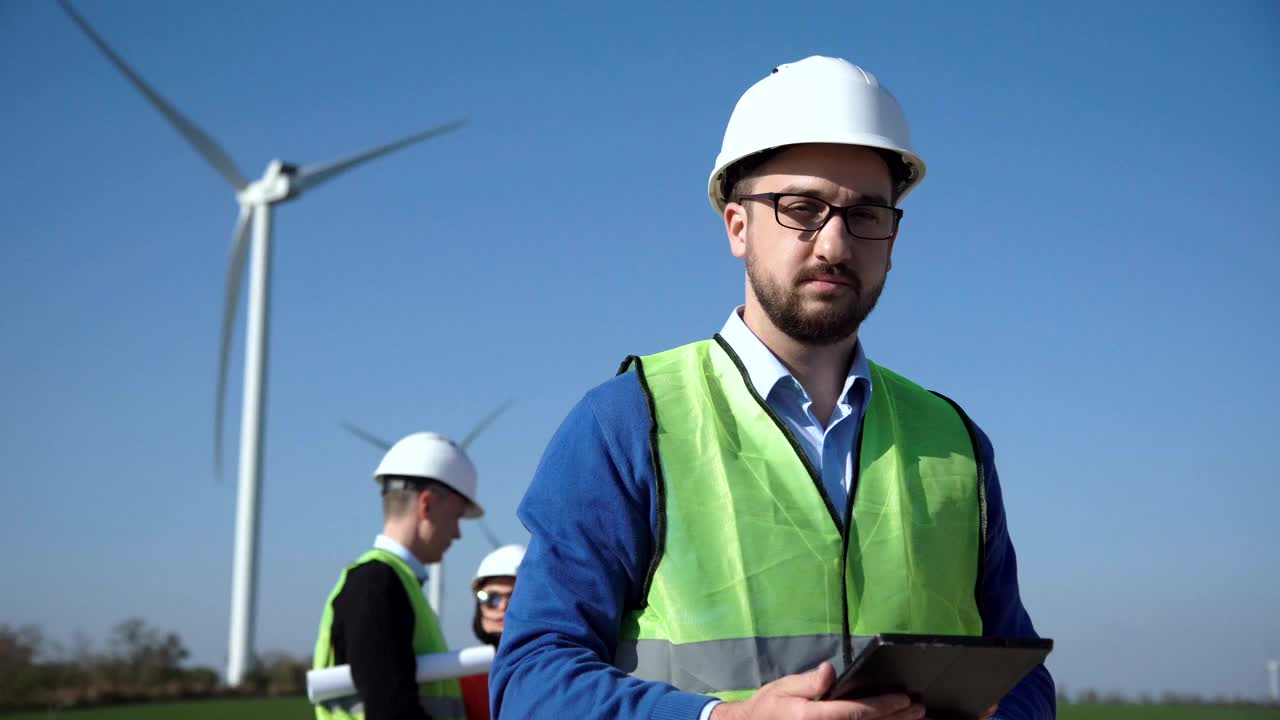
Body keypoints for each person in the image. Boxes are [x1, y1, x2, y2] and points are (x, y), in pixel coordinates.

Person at [491, 56, 1056, 720]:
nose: (834, 244)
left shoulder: (955, 443)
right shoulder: (627, 422)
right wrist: (722, 719)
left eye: (866, 214)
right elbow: (530, 683)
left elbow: (1024, 679)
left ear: (894, 237)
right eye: (801, 208)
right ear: (737, 226)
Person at [313, 432, 483, 720]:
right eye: (455, 517)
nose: (457, 534)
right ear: (426, 505)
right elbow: (391, 710)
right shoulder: (376, 584)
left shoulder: (393, 584)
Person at [459, 544, 527, 720]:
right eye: (491, 598)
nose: (502, 607)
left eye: (514, 597)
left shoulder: (551, 670)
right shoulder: (461, 674)